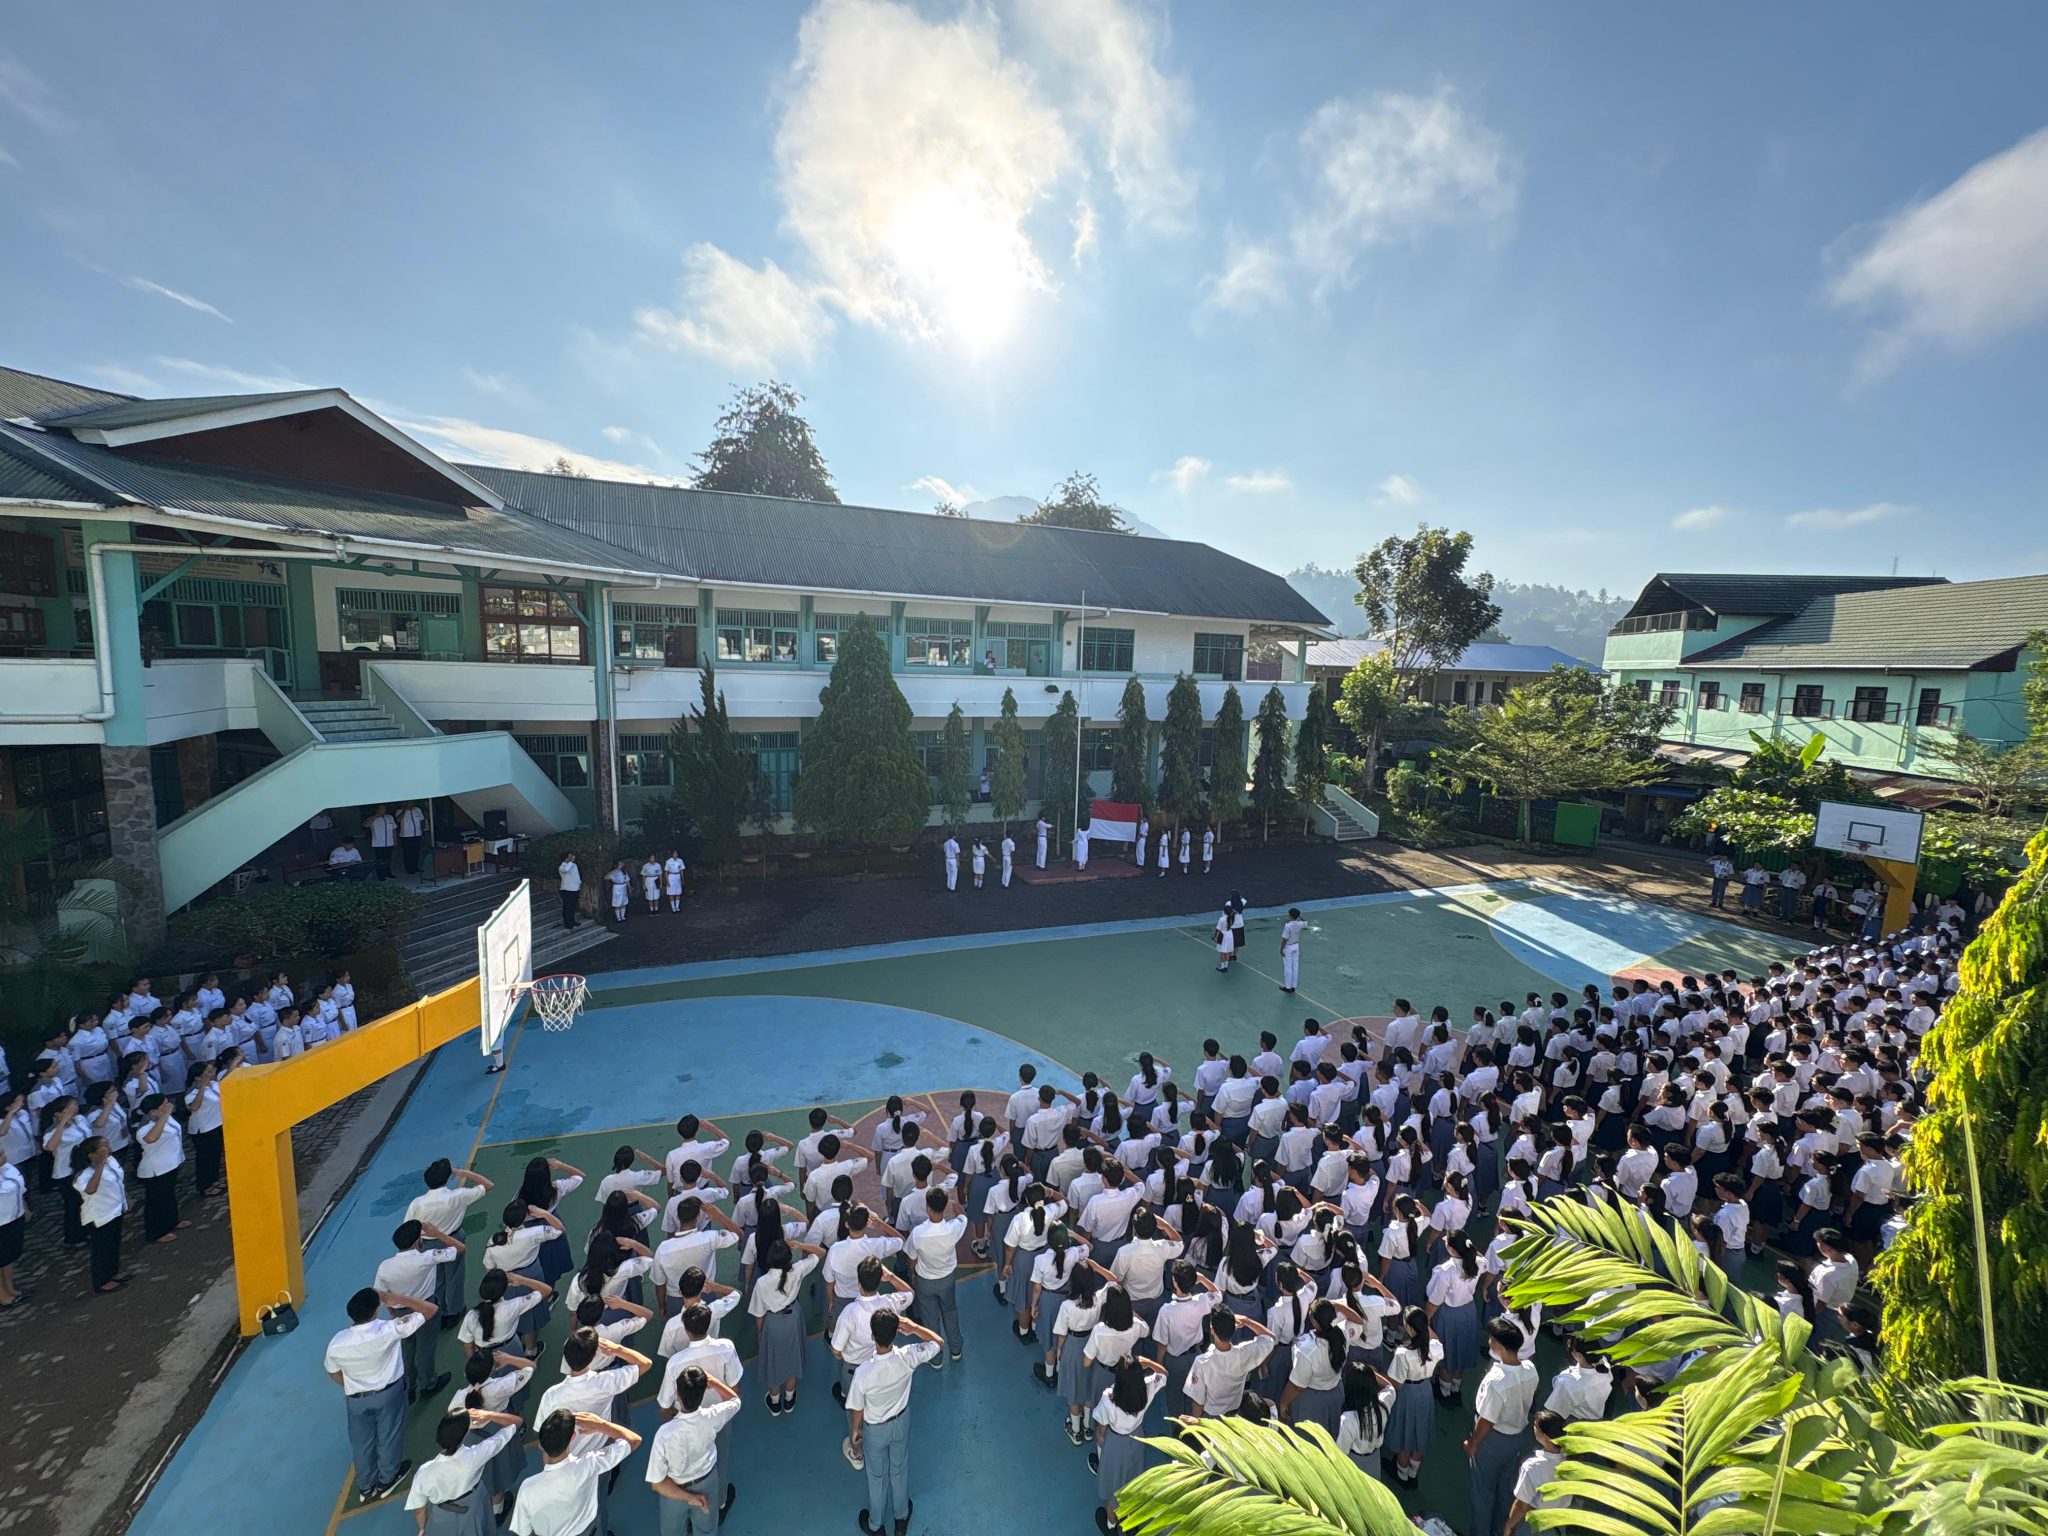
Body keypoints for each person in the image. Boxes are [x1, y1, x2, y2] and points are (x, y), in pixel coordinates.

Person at [325, 1284, 438, 1502]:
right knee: (389, 1435)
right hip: (388, 1394)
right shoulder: (389, 1329)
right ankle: (388, 1478)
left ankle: (366, 1486)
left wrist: (352, 1387)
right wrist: (396, 1298)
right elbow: (430, 1309)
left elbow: (333, 1372)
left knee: (361, 1442)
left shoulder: (337, 1342)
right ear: (377, 1309)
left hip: (356, 1399)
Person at [844, 1308, 943, 1536]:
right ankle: (901, 1518)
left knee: (877, 1477)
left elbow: (857, 1408)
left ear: (872, 1336)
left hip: (875, 1430)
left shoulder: (864, 1372)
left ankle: (875, 1524)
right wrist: (914, 1327)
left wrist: (855, 1430)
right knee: (899, 1470)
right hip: (901, 1421)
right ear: (897, 1332)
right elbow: (938, 1342)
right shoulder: (908, 1356)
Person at [507, 1410, 641, 1536]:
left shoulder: (527, 1488)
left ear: (540, 1445)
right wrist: (601, 1425)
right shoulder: (589, 1464)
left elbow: (523, 1532)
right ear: (573, 1437)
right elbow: (634, 1440)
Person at [1466, 1316, 1539, 1536]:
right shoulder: (1530, 1369)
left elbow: (1487, 1420)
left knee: (1482, 1494)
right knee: (1505, 1490)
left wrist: (1473, 1443)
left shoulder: (1496, 1381)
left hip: (1492, 1441)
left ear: (1498, 1345)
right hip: (1516, 1438)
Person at [377, 1219, 461, 1401]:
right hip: (425, 1308)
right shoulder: (427, 1257)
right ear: (418, 1241)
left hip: (399, 1313)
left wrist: (393, 1311)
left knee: (407, 1350)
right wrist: (437, 1234)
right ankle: (428, 1384)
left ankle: (409, 1386)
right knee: (425, 1348)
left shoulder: (384, 1266)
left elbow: (381, 1294)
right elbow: (459, 1248)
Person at [405, 1406, 523, 1535]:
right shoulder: (475, 1455)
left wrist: (422, 1528)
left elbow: (420, 1510)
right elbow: (517, 1422)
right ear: (465, 1433)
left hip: (442, 1517)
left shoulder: (424, 1472)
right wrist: (488, 1415)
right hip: (474, 1507)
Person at [646, 1368, 737, 1534]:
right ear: (703, 1394)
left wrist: (690, 1498)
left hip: (674, 1492)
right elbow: (735, 1400)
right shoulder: (712, 1417)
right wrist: (714, 1382)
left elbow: (657, 1483)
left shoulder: (664, 1434)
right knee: (707, 1531)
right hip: (708, 1483)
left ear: (677, 1397)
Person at [1092, 1355, 1168, 1534]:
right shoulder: (1146, 1390)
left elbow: (1102, 1427)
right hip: (1136, 1438)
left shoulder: (1109, 1397)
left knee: (1113, 1488)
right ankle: (1130, 1524)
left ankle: (1111, 1525)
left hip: (1116, 1443)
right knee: (1132, 1480)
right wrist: (1148, 1362)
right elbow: (1163, 1373)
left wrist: (1100, 1437)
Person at [75, 1135, 129, 1292]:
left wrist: (126, 1197)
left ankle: (113, 1272)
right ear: (92, 1155)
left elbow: (118, 1180)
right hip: (100, 1215)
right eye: (103, 1147)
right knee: (101, 1249)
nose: (108, 1148)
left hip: (115, 1210)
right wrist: (99, 1166)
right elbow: (91, 1189)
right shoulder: (83, 1175)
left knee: (113, 1244)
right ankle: (101, 1281)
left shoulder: (111, 1161)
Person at [1506, 1410, 1569, 1536]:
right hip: (1559, 1526)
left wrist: (1508, 1526)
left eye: (1536, 1427)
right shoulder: (1570, 1463)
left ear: (1545, 1436)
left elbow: (1521, 1506)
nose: (1533, 1428)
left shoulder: (1532, 1467)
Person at [367, 805, 398, 880]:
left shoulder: (389, 817)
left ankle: (388, 873)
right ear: (377, 810)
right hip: (379, 843)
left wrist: (395, 839)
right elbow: (366, 825)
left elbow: (393, 829)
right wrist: (376, 816)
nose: (383, 810)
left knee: (388, 859)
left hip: (389, 842)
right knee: (380, 860)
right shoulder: (372, 818)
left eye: (384, 808)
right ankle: (381, 876)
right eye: (381, 809)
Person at [397, 801, 427, 877]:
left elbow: (421, 821)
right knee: (408, 853)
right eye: (409, 803)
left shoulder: (417, 809)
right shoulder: (400, 811)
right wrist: (405, 810)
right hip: (406, 835)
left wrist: (422, 831)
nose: (411, 804)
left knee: (416, 852)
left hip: (417, 834)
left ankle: (415, 867)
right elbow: (398, 820)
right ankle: (409, 868)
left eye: (412, 803)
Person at [1279, 908, 1306, 994]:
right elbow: (1305, 922)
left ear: (1290, 916)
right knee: (1295, 967)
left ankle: (1288, 986)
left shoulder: (1288, 926)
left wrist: (1281, 949)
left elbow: (1285, 939)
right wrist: (1299, 916)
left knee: (1288, 967)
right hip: (1296, 945)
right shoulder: (1300, 924)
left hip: (1288, 947)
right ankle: (1294, 986)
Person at [556, 855, 581, 931]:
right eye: (569, 857)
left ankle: (572, 921)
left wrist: (579, 883)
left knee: (573, 907)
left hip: (575, 889)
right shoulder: (562, 867)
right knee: (567, 907)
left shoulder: (574, 865)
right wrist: (570, 862)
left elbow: (576, 875)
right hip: (567, 890)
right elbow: (566, 870)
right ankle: (567, 923)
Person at [606, 860, 631, 925]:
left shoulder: (624, 871)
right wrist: (613, 872)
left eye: (621, 864)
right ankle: (618, 917)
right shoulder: (613, 872)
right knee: (617, 902)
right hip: (617, 887)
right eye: (619, 864)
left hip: (624, 886)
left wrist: (629, 888)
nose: (621, 865)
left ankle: (623, 916)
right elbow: (606, 877)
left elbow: (627, 880)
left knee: (624, 902)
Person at [1214, 907, 1238, 973]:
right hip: (1229, 934)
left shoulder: (1222, 919)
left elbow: (1219, 930)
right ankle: (1226, 966)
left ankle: (1222, 967)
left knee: (1222, 952)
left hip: (1223, 935)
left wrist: (1216, 937)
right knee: (1227, 951)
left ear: (1224, 912)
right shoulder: (1231, 918)